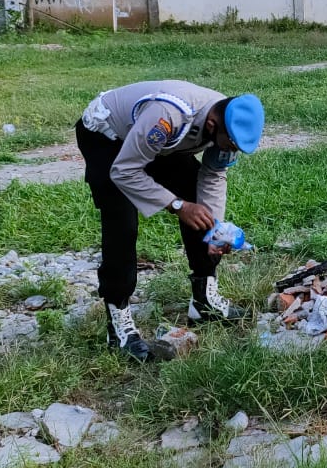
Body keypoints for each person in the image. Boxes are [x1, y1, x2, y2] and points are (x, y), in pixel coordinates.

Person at [75, 81, 264, 362]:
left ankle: (204, 301)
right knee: (122, 222)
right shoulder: (168, 115)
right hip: (108, 137)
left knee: (198, 203)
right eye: (231, 144)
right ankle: (119, 324)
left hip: (156, 142)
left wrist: (215, 231)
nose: (231, 150)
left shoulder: (228, 121)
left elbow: (213, 175)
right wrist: (177, 206)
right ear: (212, 125)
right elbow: (125, 171)